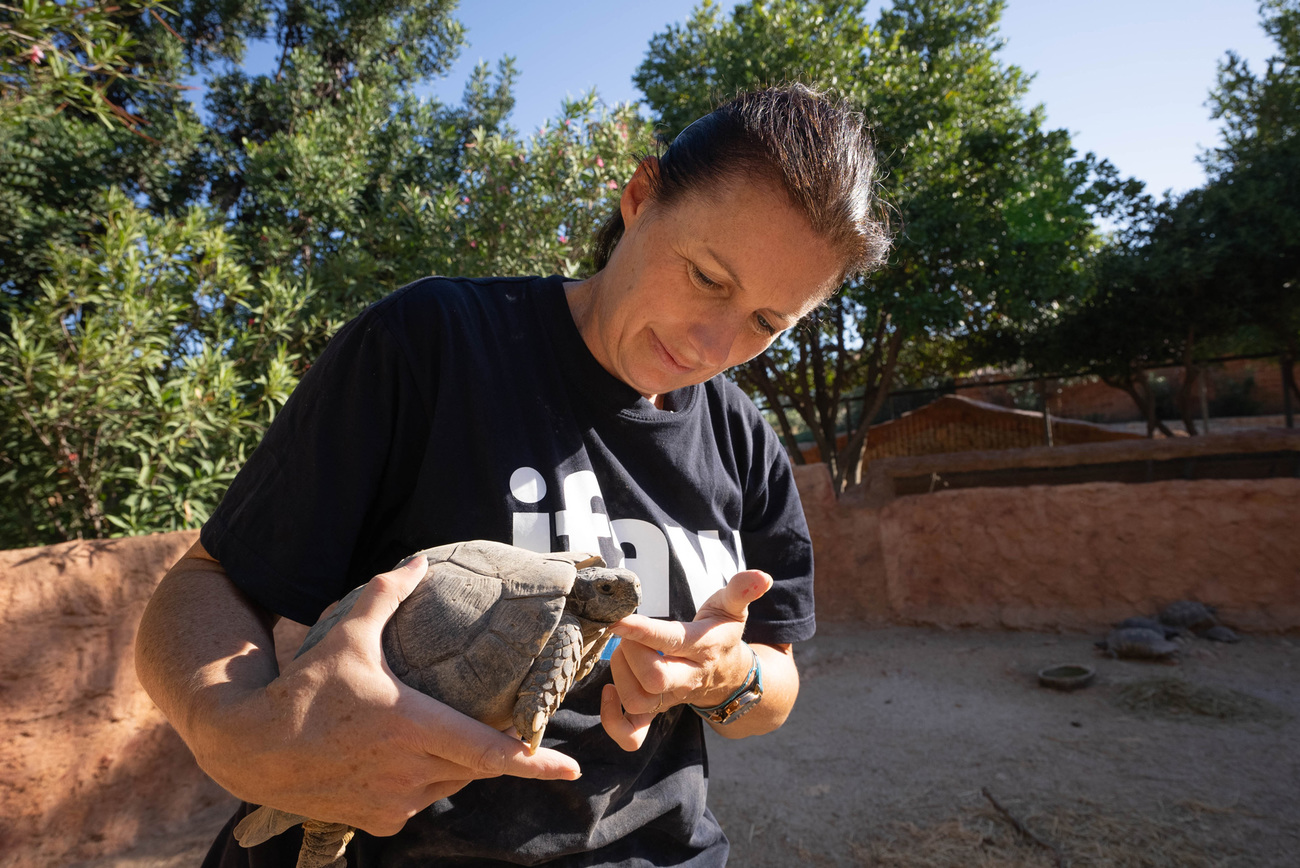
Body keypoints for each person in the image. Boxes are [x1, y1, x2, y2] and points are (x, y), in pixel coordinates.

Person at [135, 83, 891, 867]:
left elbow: (776, 682)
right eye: (707, 277)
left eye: (767, 322)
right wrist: (238, 735)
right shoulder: (434, 344)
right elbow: (207, 581)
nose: (712, 343)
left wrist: (723, 674)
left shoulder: (744, 442)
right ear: (640, 197)